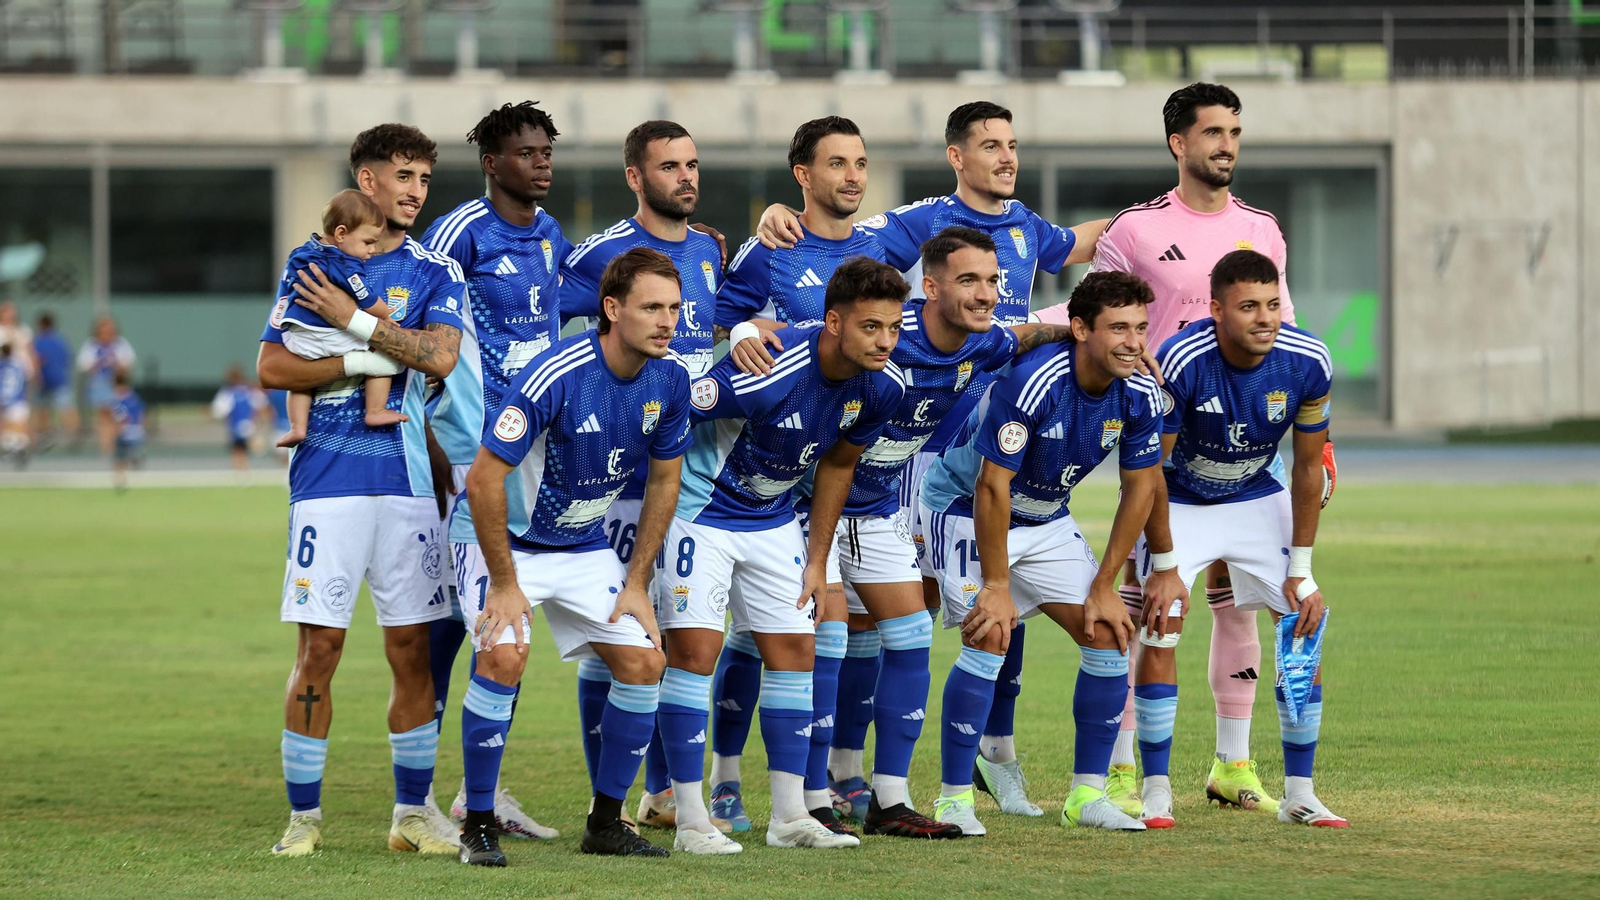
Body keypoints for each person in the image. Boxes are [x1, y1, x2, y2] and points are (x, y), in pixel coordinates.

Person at [754, 102, 1110, 819]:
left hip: (918, 478)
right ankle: (802, 787)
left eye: (1012, 145)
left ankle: (895, 786)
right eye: (989, 145)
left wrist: (1118, 322)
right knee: (833, 629)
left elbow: (1033, 317)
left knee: (914, 626)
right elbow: (832, 256)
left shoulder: (1012, 270)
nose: (1006, 157)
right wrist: (765, 260)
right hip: (847, 485)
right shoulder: (912, 250)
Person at [1030, 82, 1334, 816]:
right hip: (1161, 444)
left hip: (1246, 451)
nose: (1226, 145)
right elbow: (1084, 311)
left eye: (1235, 132)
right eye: (1212, 133)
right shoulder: (1136, 228)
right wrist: (1010, 331)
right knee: (1147, 608)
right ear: (1179, 143)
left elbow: (1282, 332)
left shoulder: (1262, 228)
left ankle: (1234, 765)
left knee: (1241, 610)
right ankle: (1130, 769)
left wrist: (1320, 450)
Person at [256, 122, 466, 858]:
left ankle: (412, 813)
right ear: (367, 181)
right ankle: (303, 820)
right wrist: (356, 361)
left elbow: (440, 355)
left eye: (424, 179)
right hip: (326, 484)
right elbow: (275, 370)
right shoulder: (309, 260)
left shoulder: (437, 269)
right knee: (320, 650)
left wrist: (350, 322)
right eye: (403, 175)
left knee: (413, 649)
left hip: (409, 485)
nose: (415, 191)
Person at [652, 257, 906, 853]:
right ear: (834, 322)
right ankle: (692, 821)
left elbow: (839, 466)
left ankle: (790, 816)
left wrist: (817, 562)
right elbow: (677, 407)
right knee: (695, 651)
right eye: (872, 327)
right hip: (703, 512)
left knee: (797, 651)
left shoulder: (883, 386)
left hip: (772, 520)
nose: (886, 341)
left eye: (893, 328)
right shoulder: (767, 369)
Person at [459, 248, 694, 865]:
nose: (667, 320)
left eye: (674, 307)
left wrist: (637, 582)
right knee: (505, 654)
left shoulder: (670, 379)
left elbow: (665, 483)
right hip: (505, 546)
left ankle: (604, 824)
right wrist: (505, 585)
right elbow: (483, 481)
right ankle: (478, 822)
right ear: (611, 309)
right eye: (651, 308)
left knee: (645, 664)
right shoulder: (556, 373)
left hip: (584, 546)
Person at [919, 270, 1164, 834]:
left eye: (1141, 328)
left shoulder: (1141, 392)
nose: (1133, 341)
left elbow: (1143, 488)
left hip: (1047, 517)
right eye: (1118, 328)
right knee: (991, 633)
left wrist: (1105, 584)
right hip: (962, 507)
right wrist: (998, 585)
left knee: (1109, 632)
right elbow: (990, 486)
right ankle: (954, 797)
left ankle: (1087, 797)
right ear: (1079, 329)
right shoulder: (1033, 382)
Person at [703, 115, 888, 832]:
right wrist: (747, 330)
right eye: (836, 163)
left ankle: (820, 786)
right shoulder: (772, 245)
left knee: (827, 631)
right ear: (803, 176)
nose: (852, 175)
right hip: (766, 472)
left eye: (861, 162)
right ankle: (725, 778)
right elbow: (716, 317)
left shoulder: (881, 246)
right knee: (765, 634)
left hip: (843, 470)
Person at [1133, 249, 1344, 828]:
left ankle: (1301, 792)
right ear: (1217, 309)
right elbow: (1150, 469)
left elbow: (1305, 468)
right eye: (1249, 306)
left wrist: (1301, 566)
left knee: (1305, 617)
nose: (1265, 317)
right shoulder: (1181, 360)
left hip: (1253, 494)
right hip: (1181, 500)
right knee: (1162, 619)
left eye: (1273, 304)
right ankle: (1154, 789)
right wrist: (1167, 563)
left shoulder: (1308, 360)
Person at [558, 119, 722, 830]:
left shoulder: (715, 248)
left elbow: (733, 324)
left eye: (691, 165)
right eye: (668, 167)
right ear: (635, 177)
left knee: (682, 632)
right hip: (615, 480)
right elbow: (550, 335)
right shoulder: (598, 255)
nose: (684, 177)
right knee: (618, 636)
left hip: (689, 472)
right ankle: (612, 800)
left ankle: (662, 792)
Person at [423, 100, 570, 841]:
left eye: (546, 151)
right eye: (526, 152)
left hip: (529, 452)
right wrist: (440, 448)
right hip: (462, 452)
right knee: (444, 630)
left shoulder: (549, 234)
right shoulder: (458, 234)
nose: (541, 162)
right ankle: (418, 795)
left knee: (501, 625)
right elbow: (428, 340)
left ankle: (475, 791)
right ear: (492, 163)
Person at [272, 189, 404, 448]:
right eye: (368, 242)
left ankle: (297, 427)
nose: (373, 250)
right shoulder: (345, 262)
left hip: (296, 335)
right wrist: (386, 315)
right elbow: (365, 298)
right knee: (385, 354)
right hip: (326, 334)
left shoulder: (302, 252)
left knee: (300, 382)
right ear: (341, 234)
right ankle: (376, 410)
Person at [77, 316, 135, 457]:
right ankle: (106, 447)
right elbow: (83, 364)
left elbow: (129, 361)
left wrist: (117, 365)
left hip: (116, 384)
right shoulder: (92, 345)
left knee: (118, 414)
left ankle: (118, 443)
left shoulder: (120, 344)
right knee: (103, 415)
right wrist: (98, 363)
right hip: (99, 383)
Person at [211, 365, 269, 471]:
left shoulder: (228, 393)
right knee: (246, 449)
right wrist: (258, 422)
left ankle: (242, 473)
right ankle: (247, 469)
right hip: (250, 426)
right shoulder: (250, 390)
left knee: (238, 450)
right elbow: (262, 406)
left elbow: (219, 411)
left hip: (236, 427)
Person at [30, 313, 75, 447]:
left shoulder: (39, 341)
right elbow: (68, 358)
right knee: (66, 407)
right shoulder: (61, 340)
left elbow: (38, 360)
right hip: (61, 378)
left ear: (41, 325)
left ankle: (44, 434)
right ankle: (72, 435)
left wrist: (37, 377)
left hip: (46, 379)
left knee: (42, 408)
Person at [107, 371, 144, 490]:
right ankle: (134, 458)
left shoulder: (117, 400)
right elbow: (142, 414)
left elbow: (120, 419)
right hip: (137, 431)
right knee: (130, 453)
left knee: (119, 458)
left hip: (125, 432)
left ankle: (119, 481)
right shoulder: (134, 397)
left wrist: (114, 435)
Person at [0, 342, 29, 464]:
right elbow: (25, 380)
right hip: (18, 399)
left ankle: (9, 448)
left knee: (6, 427)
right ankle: (18, 447)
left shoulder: (2, 365)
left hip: (4, 399)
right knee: (18, 427)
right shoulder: (19, 364)